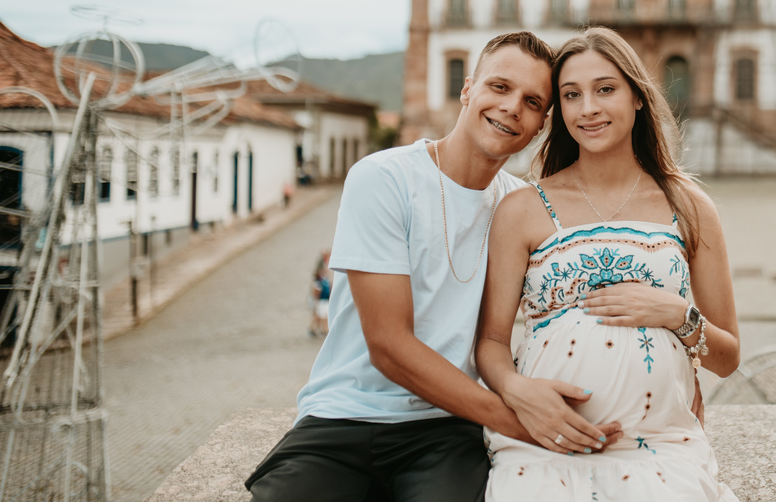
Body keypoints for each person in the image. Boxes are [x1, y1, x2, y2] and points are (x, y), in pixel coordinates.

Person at [246, 31, 621, 502]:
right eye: (499, 87)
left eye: (531, 102)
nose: (511, 108)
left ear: (542, 125)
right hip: (342, 416)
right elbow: (388, 345)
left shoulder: (521, 207)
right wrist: (520, 421)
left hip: (445, 426)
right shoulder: (384, 178)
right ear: (468, 90)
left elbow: (560, 316)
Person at [476, 27, 741, 501]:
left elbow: (727, 358)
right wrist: (517, 391)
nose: (588, 109)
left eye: (605, 89)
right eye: (571, 95)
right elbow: (492, 342)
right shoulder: (522, 209)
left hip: (661, 447)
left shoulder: (690, 206)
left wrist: (677, 315)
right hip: (544, 441)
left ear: (637, 97)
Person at [308, 249, 332, 338]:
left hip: (323, 298)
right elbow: (316, 291)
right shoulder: (319, 279)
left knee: (320, 316)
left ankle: (316, 329)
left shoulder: (324, 278)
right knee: (321, 315)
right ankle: (321, 329)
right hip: (321, 299)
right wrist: (315, 301)